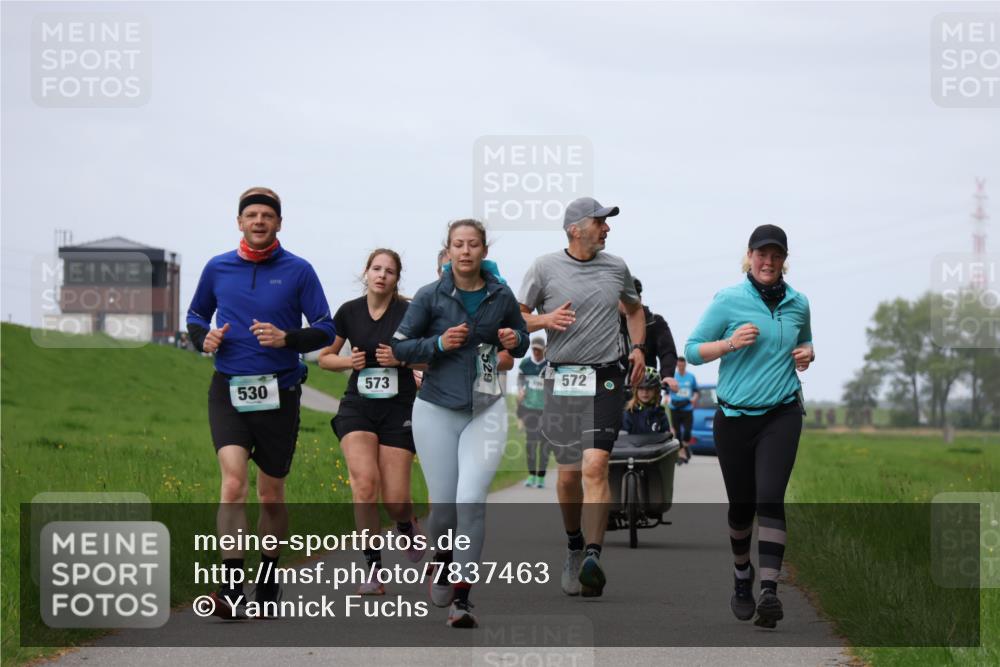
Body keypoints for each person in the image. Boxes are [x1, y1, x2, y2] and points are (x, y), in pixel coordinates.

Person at [186, 187, 336, 618]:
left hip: (280, 392)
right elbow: (196, 315)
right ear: (239, 222)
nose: (258, 221)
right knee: (232, 484)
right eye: (250, 215)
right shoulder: (217, 268)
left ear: (278, 224)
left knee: (271, 495)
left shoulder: (298, 270)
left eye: (266, 216)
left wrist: (288, 338)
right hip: (229, 388)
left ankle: (268, 575)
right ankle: (231, 587)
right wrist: (204, 338)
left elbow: (325, 328)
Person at [391, 219, 529, 628]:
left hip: (485, 408)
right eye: (458, 244)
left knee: (471, 500)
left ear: (484, 250)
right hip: (434, 409)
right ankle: (443, 561)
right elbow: (399, 347)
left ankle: (463, 599)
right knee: (445, 507)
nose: (465, 251)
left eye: (473, 244)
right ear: (448, 251)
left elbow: (520, 339)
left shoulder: (500, 295)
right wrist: (436, 344)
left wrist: (513, 341)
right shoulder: (429, 296)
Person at [684, 224, 813, 629]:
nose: (768, 262)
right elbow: (691, 350)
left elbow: (804, 344)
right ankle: (743, 576)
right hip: (735, 418)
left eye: (776, 256)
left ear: (784, 260)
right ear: (749, 256)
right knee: (741, 508)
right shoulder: (728, 300)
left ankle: (770, 593)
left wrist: (807, 354)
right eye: (762, 255)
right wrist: (728, 344)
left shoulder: (798, 303)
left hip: (782, 412)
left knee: (770, 499)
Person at [518, 196, 645, 598]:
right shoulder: (544, 267)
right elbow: (516, 316)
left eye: (607, 223)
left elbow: (634, 309)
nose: (607, 228)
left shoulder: (617, 267)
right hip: (561, 378)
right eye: (600, 222)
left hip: (606, 378)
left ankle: (593, 554)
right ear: (575, 229)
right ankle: (574, 545)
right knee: (570, 474)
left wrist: (638, 347)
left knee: (596, 466)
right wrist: (544, 319)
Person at [318, 249, 426, 596]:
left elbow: (429, 357)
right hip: (358, 406)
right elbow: (325, 359)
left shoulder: (410, 313)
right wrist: (349, 362)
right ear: (366, 273)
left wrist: (401, 360)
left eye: (390, 271)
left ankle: (406, 523)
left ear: (397, 278)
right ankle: (373, 569)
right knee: (364, 485)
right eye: (376, 269)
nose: (382, 275)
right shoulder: (348, 312)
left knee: (396, 501)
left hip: (399, 408)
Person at [517, 337, 549, 488]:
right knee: (531, 444)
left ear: (544, 350)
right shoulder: (525, 364)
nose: (536, 352)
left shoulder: (548, 366)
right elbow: (520, 382)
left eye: (538, 349)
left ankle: (541, 477)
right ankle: (531, 475)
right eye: (534, 349)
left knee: (544, 445)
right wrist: (520, 390)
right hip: (529, 410)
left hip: (546, 411)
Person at [668, 356, 700, 463]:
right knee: (677, 432)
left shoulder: (691, 377)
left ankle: (685, 447)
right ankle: (681, 453)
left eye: (682, 365)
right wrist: (666, 400)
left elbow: (696, 391)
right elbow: (667, 392)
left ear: (685, 365)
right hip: (675, 407)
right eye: (679, 365)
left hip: (687, 407)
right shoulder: (673, 376)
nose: (681, 367)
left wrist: (693, 399)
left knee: (687, 432)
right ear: (677, 365)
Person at [622, 367, 671, 435]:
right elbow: (623, 440)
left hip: (655, 445)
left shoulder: (660, 414)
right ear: (635, 391)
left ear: (656, 391)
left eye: (649, 388)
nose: (645, 392)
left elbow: (667, 437)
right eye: (641, 388)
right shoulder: (628, 413)